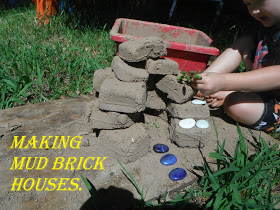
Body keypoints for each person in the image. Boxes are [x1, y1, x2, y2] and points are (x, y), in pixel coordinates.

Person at [191, 0, 280, 132]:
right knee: (246, 42)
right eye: (248, 3)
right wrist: (207, 77)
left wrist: (223, 82)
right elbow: (240, 48)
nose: (254, 10)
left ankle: (232, 93)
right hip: (262, 89)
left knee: (237, 105)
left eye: (260, 1)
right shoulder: (265, 25)